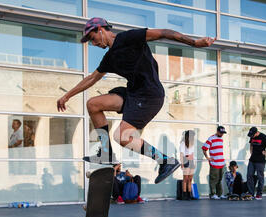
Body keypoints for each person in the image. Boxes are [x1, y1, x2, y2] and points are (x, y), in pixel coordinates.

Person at [56, 17, 216, 184]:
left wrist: (194, 43)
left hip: (150, 95)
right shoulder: (110, 58)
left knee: (123, 137)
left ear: (100, 30)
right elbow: (92, 78)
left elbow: (164, 33)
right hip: (133, 94)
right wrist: (67, 95)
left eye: (93, 39)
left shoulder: (128, 38)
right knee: (94, 104)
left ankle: (165, 161)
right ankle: (106, 154)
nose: (93, 44)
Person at [246, 127, 266, 200]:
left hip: (260, 161)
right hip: (252, 160)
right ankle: (251, 193)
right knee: (249, 175)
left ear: (256, 133)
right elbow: (251, 144)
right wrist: (251, 152)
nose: (251, 137)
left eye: (252, 135)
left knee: (260, 177)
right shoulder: (252, 136)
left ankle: (259, 194)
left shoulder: (263, 137)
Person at [202, 126, 227, 200]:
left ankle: (219, 194)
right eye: (221, 133)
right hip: (214, 163)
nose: (222, 134)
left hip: (221, 163)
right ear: (217, 131)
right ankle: (213, 194)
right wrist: (207, 157)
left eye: (223, 133)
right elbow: (204, 148)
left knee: (219, 179)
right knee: (213, 179)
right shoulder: (211, 138)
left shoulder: (221, 139)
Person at [180, 130, 196, 200]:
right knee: (185, 179)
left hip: (192, 161)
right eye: (192, 136)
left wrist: (194, 162)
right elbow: (181, 154)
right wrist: (182, 163)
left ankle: (189, 194)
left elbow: (193, 154)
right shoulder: (183, 143)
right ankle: (184, 195)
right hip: (186, 161)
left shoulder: (192, 143)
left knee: (190, 179)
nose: (193, 137)